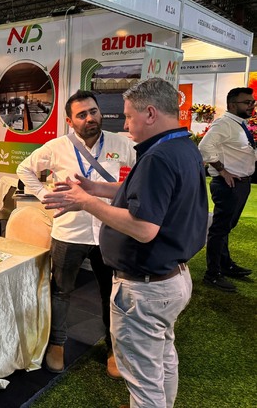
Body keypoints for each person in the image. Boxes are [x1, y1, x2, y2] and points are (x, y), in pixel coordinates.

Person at [42, 78, 207, 408]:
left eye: (129, 116)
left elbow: (144, 228)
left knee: (144, 380)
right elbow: (144, 195)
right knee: (161, 358)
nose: (126, 125)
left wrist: (87, 202)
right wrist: (96, 188)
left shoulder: (158, 157)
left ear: (150, 113)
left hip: (146, 288)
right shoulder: (181, 146)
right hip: (168, 277)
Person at [17, 90, 136, 378]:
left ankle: (113, 349)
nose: (90, 118)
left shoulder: (121, 143)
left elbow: (142, 173)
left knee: (111, 294)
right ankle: (57, 344)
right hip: (70, 231)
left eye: (93, 111)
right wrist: (46, 196)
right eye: (82, 115)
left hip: (108, 231)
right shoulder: (57, 147)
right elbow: (24, 169)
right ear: (70, 121)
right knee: (61, 291)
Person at [198, 87, 256, 292]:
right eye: (247, 102)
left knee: (226, 228)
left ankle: (225, 264)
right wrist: (223, 171)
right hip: (228, 185)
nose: (251, 106)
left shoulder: (238, 124)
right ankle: (212, 274)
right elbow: (204, 148)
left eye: (252, 102)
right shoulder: (224, 124)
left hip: (240, 183)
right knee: (220, 229)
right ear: (232, 105)